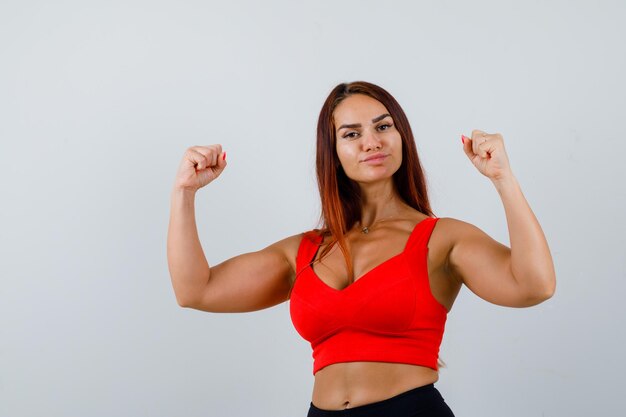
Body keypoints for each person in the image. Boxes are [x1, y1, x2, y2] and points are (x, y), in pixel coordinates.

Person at [167, 81, 556, 417]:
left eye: (383, 126)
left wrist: (503, 178)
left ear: (402, 136)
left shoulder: (442, 238)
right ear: (332, 151)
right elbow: (195, 290)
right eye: (351, 134)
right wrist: (184, 193)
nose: (371, 142)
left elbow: (533, 285)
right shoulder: (305, 251)